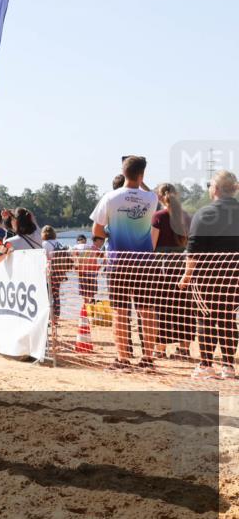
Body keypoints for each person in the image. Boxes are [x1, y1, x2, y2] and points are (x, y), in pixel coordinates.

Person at [91, 156, 159, 372]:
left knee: (120, 312)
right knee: (147, 311)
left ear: (123, 171)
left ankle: (122, 358)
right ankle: (148, 357)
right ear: (142, 174)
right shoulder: (151, 198)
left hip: (118, 263)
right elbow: (149, 193)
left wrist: (110, 234)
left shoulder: (110, 197)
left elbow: (96, 230)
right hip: (145, 262)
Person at [178, 170, 239, 380]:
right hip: (235, 278)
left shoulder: (204, 214)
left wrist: (185, 278)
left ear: (215, 189)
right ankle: (228, 367)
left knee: (205, 318)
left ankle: (206, 365)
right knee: (228, 318)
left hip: (207, 278)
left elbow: (193, 252)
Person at [150, 183, 193, 359]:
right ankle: (184, 349)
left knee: (162, 306)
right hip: (183, 266)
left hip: (163, 267)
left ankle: (159, 349)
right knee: (184, 308)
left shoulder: (158, 217)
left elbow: (151, 246)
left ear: (159, 198)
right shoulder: (187, 218)